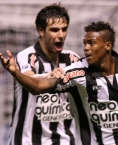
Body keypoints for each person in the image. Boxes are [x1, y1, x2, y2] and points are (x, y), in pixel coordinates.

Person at [0, 21, 118, 145]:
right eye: (84, 43)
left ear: (107, 46)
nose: (86, 48)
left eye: (92, 43)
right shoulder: (78, 72)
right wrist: (15, 72)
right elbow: (37, 88)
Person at [4, 3, 83, 145]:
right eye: (54, 30)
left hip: (65, 140)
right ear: (41, 30)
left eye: (64, 29)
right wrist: (50, 76)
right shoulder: (26, 56)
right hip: (27, 141)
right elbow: (31, 79)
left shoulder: (73, 59)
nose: (61, 35)